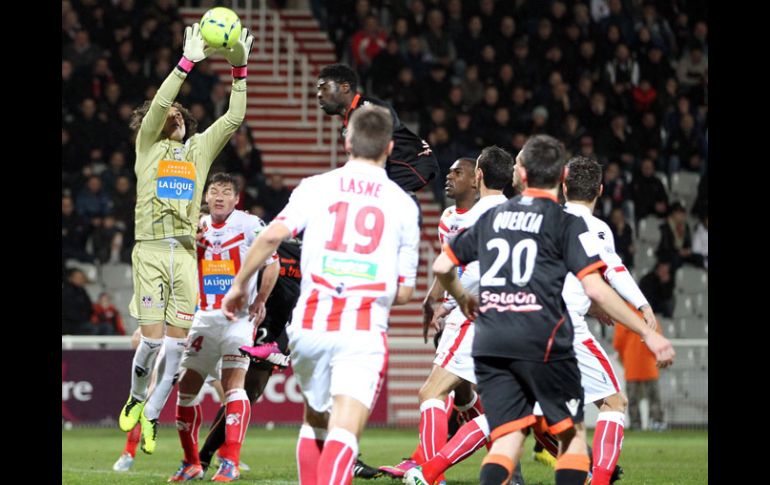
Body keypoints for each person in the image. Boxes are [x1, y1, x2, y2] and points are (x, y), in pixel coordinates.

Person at [427, 135, 674, 485]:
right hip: (547, 334)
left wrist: (461, 298)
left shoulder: (496, 215)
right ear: (560, 178)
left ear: (522, 175)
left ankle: (428, 471)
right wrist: (647, 330)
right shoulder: (565, 222)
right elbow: (596, 287)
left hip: (496, 334)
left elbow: (442, 266)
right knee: (573, 435)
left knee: (505, 431)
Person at [222, 105, 420, 485]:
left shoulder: (315, 186)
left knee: (315, 418)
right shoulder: (403, 205)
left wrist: (238, 285)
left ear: (347, 142)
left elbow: (272, 235)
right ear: (390, 147)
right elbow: (405, 293)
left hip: (309, 328)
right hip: (360, 330)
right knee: (345, 427)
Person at [117, 23, 252, 456]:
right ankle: (136, 398)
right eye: (167, 112)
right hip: (152, 250)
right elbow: (159, 102)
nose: (173, 113)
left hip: (185, 254)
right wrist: (186, 63)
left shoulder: (197, 151)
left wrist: (240, 71)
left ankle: (152, 415)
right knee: (152, 342)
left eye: (179, 111)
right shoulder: (147, 147)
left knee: (176, 348)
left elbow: (233, 118)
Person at [381, 150, 516, 482]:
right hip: (511, 316)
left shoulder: (479, 215)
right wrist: (433, 298)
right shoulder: (509, 212)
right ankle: (508, 469)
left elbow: (466, 269)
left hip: (474, 313)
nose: (449, 176)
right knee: (470, 396)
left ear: (477, 176)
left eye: (458, 172)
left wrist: (451, 302)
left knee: (432, 393)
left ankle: (428, 471)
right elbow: (454, 263)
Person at [168, 173, 279, 482]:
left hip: (237, 320)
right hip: (203, 318)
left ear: (236, 199)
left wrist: (261, 300)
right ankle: (192, 463)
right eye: (214, 191)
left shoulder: (250, 224)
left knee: (234, 385)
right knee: (186, 392)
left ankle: (230, 461)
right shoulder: (196, 226)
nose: (219, 196)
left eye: (226, 191)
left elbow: (273, 263)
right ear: (206, 197)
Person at [197, 236, 303, 474]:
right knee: (239, 391)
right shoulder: (267, 237)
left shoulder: (318, 246)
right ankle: (207, 458)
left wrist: (283, 342)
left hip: (280, 330)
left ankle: (213, 456)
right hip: (252, 320)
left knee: (249, 393)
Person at [316, 63, 438, 217]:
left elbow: (383, 140)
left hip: (413, 163)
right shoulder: (349, 124)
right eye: (319, 89)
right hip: (399, 172)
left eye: (324, 88)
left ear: (345, 87)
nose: (319, 94)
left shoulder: (370, 109)